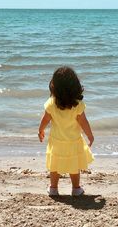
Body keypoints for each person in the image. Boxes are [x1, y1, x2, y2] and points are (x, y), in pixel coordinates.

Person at [38, 66, 94, 196]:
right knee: (74, 165)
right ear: (75, 86)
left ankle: (53, 188)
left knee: (55, 165)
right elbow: (83, 122)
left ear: (54, 86)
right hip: (74, 141)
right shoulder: (77, 105)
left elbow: (45, 119)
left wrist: (40, 130)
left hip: (56, 141)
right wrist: (90, 136)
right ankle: (76, 189)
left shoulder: (51, 103)